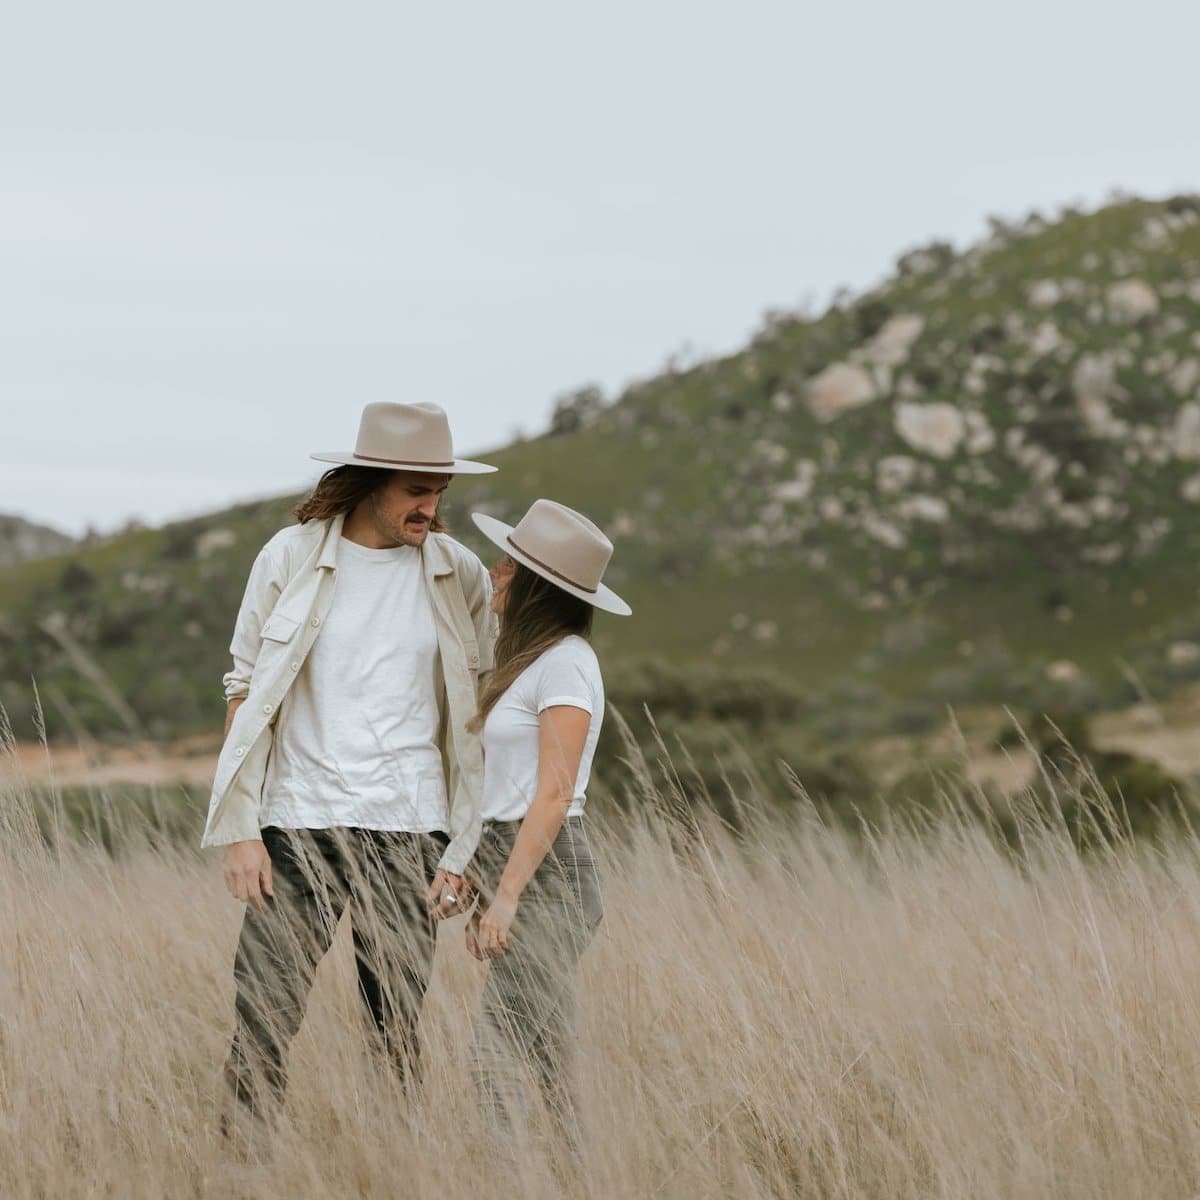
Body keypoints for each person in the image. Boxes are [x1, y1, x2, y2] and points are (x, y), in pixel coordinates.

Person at [201, 400, 497, 1158]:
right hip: (297, 826)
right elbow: (243, 691)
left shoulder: (455, 572)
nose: (431, 506)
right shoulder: (290, 557)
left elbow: (480, 711)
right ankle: (242, 1172)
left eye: (440, 491)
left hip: (410, 831)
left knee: (397, 1030)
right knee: (263, 1020)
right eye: (414, 490)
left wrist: (465, 847)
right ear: (368, 482)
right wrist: (240, 830)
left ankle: (396, 1169)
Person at [463, 498, 631, 1152]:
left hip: (552, 883)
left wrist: (505, 899)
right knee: (554, 1070)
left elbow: (555, 792)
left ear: (537, 585)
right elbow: (505, 791)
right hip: (525, 870)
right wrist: (481, 880)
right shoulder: (533, 662)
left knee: (490, 1057)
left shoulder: (566, 664)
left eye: (510, 563)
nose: (495, 570)